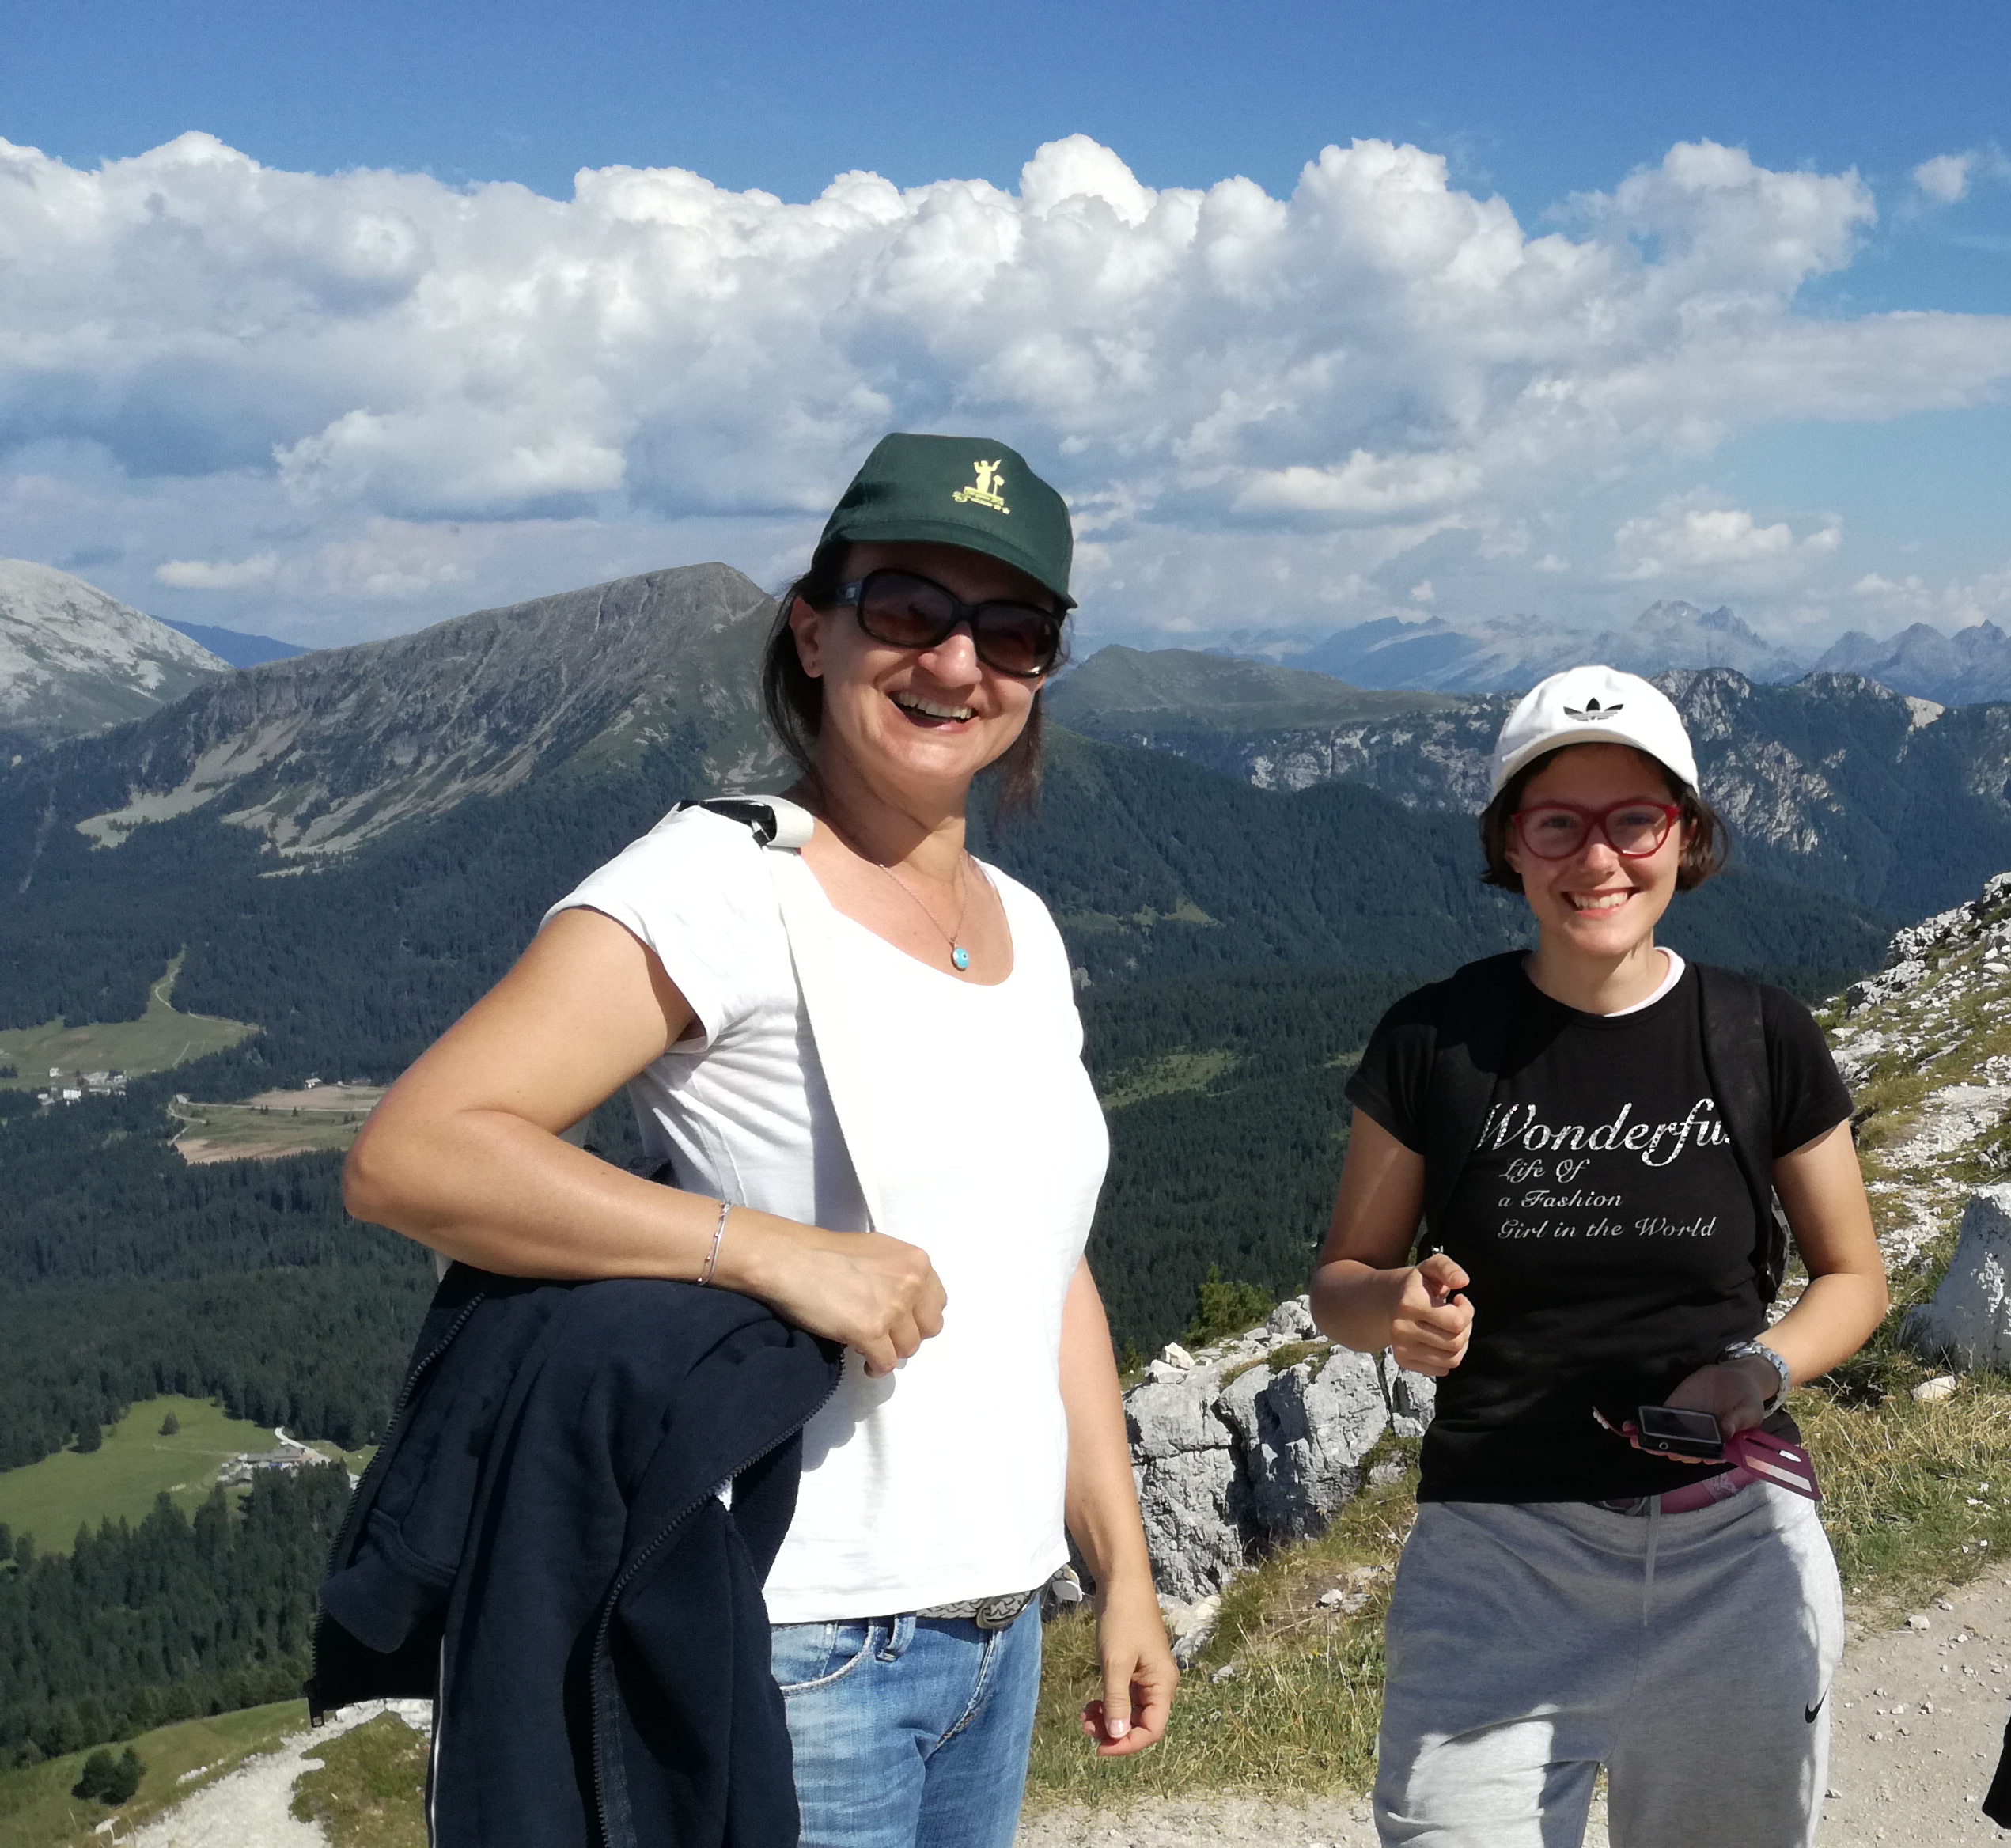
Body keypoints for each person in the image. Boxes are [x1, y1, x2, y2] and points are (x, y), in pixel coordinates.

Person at [343, 432, 1174, 1846]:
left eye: (1012, 631)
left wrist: (1121, 1567)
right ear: (813, 627)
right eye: (907, 607)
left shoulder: (1022, 926)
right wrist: (764, 1249)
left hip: (999, 1627)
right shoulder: (721, 884)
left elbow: (1047, 1265)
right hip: (801, 1637)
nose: (957, 662)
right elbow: (414, 1153)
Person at [1311, 665, 1892, 1848]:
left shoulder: (1762, 1033)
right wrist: (1394, 1303)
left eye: (1635, 820)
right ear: (1509, 843)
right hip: (1495, 1559)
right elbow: (1341, 1282)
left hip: (1734, 1555)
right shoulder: (1434, 1040)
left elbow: (1854, 1276)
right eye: (1556, 825)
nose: (1598, 859)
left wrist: (1756, 1375)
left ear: (1685, 834)